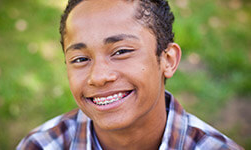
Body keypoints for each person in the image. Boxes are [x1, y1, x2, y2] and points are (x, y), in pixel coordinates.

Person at [17, 0, 243, 149]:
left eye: (121, 51)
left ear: (168, 60)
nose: (98, 76)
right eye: (80, 59)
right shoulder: (39, 145)